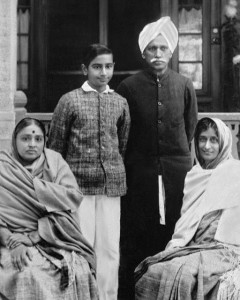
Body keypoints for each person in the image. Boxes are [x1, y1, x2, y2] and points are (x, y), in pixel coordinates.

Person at [116, 16, 198, 296]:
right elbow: (122, 133)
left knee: (175, 228)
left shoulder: (184, 84)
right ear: (144, 52)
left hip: (177, 171)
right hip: (140, 172)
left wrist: (176, 159)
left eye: (163, 48)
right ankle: (135, 290)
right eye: (152, 49)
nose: (158, 54)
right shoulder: (128, 87)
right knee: (139, 231)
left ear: (171, 51)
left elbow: (189, 129)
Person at [48, 43, 131, 300]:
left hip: (110, 186)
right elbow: (55, 147)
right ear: (85, 69)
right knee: (81, 246)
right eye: (97, 67)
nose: (103, 72)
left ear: (113, 68)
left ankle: (107, 296)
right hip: (78, 188)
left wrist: (112, 168)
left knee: (109, 249)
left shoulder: (119, 102)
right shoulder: (69, 101)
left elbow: (123, 142)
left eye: (108, 66)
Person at [135, 117, 240, 300]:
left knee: (182, 274)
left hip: (224, 249)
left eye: (214, 140)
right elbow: (188, 221)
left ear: (223, 143)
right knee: (151, 271)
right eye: (202, 139)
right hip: (193, 246)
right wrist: (177, 244)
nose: (207, 146)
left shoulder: (235, 172)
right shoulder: (194, 175)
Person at [0, 117, 98, 300]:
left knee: (79, 269)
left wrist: (34, 236)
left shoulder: (55, 162)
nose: (32, 144)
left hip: (54, 236)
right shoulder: (3, 167)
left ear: (45, 141)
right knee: (25, 272)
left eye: (38, 139)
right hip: (9, 239)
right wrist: (15, 244)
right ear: (15, 140)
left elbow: (69, 204)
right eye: (25, 138)